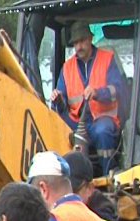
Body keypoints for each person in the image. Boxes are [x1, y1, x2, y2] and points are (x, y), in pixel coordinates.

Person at [51, 22, 128, 175]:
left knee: (102, 131)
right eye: (75, 43)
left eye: (82, 41)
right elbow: (62, 103)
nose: (78, 46)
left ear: (90, 39)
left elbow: (119, 90)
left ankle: (108, 173)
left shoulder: (107, 59)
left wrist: (98, 93)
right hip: (77, 121)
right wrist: (58, 99)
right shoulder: (67, 68)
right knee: (58, 133)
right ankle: (67, 177)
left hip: (102, 117)